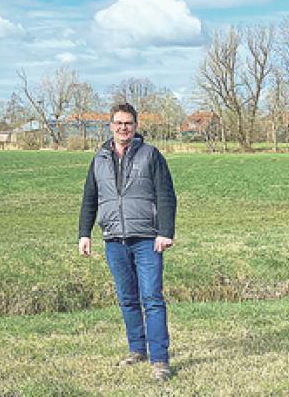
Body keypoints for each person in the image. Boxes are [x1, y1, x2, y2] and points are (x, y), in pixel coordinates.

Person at [78, 102, 176, 381]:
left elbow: (166, 195)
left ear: (136, 126)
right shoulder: (99, 159)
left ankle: (159, 360)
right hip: (113, 239)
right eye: (119, 123)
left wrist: (165, 232)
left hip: (147, 238)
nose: (123, 128)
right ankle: (137, 350)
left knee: (152, 298)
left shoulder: (151, 155)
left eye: (128, 123)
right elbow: (89, 199)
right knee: (127, 298)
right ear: (110, 126)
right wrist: (84, 233)